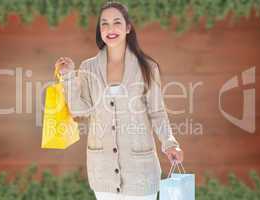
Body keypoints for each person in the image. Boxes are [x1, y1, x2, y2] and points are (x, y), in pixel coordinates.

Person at [54, 1, 183, 200]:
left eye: (117, 22)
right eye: (104, 23)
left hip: (141, 170)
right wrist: (69, 77)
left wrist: (170, 143)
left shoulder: (147, 68)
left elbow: (157, 112)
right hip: (102, 169)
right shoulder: (88, 68)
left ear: (128, 27)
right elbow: (80, 112)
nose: (110, 29)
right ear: (99, 29)